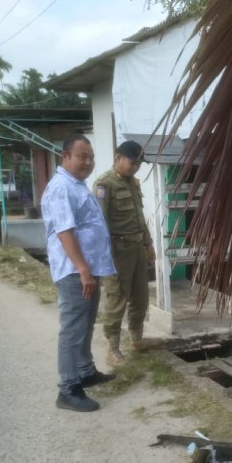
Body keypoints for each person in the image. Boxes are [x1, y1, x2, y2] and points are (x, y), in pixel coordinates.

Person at [41, 134, 117, 412]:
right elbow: (64, 230)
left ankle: (85, 371)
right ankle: (68, 388)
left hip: (87, 268)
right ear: (65, 156)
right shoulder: (62, 187)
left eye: (91, 156)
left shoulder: (76, 185)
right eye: (81, 156)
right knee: (73, 329)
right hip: (75, 270)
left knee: (85, 323)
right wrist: (84, 270)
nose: (88, 162)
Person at [92, 140, 156, 366]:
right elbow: (100, 224)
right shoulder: (104, 184)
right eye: (133, 162)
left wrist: (149, 245)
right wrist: (106, 256)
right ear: (118, 157)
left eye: (139, 164)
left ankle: (136, 339)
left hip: (137, 247)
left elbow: (140, 218)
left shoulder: (132, 183)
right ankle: (112, 348)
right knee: (117, 298)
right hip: (118, 251)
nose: (136, 167)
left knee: (141, 297)